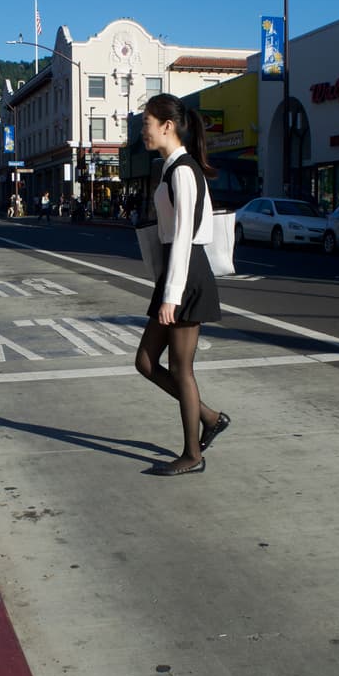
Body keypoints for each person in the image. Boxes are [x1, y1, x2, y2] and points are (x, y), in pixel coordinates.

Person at [134, 94, 230, 476]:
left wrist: (171, 296)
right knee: (145, 361)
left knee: (180, 368)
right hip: (177, 274)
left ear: (166, 126)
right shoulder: (170, 169)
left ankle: (193, 454)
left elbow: (186, 236)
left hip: (187, 276)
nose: (143, 130)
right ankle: (209, 417)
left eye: (147, 123)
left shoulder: (183, 172)